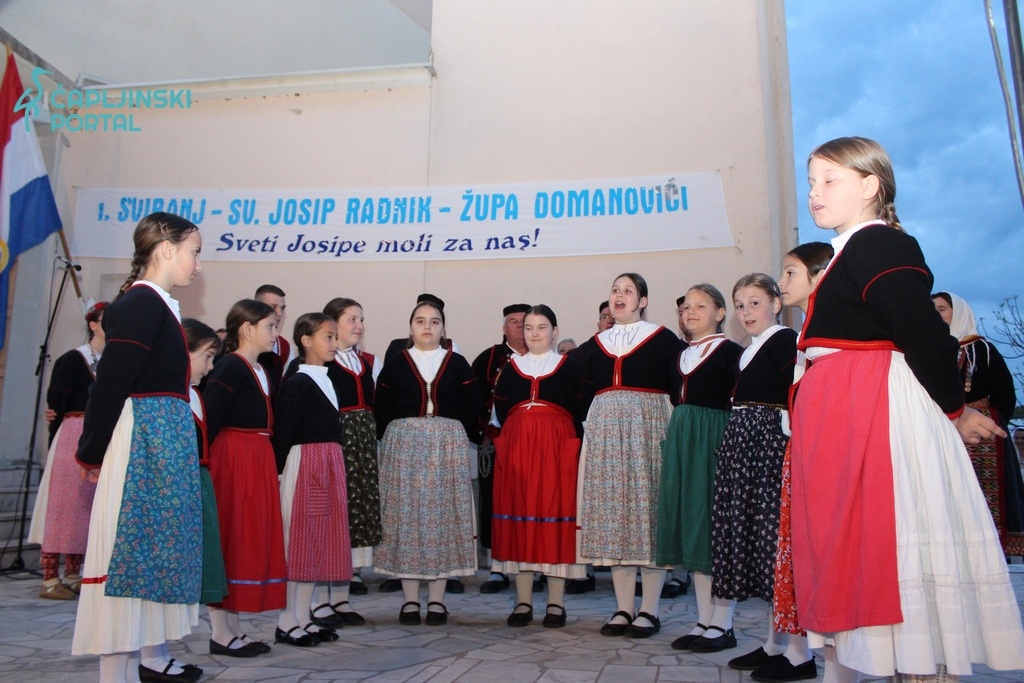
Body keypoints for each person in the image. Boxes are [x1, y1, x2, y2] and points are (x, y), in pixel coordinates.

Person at [791, 136, 1024, 682]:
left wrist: (954, 410)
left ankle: (922, 666)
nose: (815, 193)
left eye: (830, 180)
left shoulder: (879, 243)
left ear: (870, 185)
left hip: (879, 411)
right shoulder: (850, 250)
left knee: (896, 536)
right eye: (811, 182)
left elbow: (923, 332)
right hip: (852, 407)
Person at [71, 212, 203, 683]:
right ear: (166, 249)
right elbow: (111, 384)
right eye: (194, 252)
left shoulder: (158, 305)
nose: (198, 264)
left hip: (161, 439)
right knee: (128, 553)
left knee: (149, 554)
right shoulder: (138, 305)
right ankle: (115, 673)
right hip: (143, 441)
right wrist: (91, 452)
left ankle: (144, 660)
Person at [689, 274, 812, 682]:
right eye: (740, 305)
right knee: (756, 544)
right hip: (743, 447)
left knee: (775, 544)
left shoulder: (786, 341)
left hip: (767, 448)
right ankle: (776, 643)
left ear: (776, 304)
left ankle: (800, 653)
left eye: (755, 303)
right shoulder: (748, 350)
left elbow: (798, 393)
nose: (746, 312)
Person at [577, 272, 680, 638]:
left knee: (647, 516)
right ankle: (623, 608)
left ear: (643, 301)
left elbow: (679, 388)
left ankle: (649, 609)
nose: (619, 295)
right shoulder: (594, 345)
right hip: (606, 436)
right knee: (614, 518)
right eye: (615, 290)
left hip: (648, 432)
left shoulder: (664, 339)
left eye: (628, 290)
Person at [753, 244, 834, 683]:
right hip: (802, 447)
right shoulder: (806, 332)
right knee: (794, 550)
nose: (781, 282)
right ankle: (796, 651)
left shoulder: (831, 331)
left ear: (819, 277)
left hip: (824, 448)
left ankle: (815, 658)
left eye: (790, 273)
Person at [374, 299, 482, 626]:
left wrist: (451, 432)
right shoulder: (396, 364)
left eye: (434, 321)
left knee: (443, 518)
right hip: (403, 447)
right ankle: (410, 600)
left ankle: (437, 600)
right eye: (420, 321)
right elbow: (382, 407)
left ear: (443, 328)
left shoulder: (458, 364)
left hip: (447, 449)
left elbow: (473, 405)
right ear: (410, 327)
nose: (427, 327)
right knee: (406, 519)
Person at [491, 305, 586, 628]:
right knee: (521, 520)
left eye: (541, 327)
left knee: (554, 521)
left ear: (554, 331)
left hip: (556, 452)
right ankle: (523, 602)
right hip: (519, 451)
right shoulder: (510, 369)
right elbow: (501, 411)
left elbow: (580, 409)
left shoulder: (569, 368)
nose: (534, 333)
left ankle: (556, 603)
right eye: (528, 327)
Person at [658, 284, 742, 650]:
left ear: (720, 313)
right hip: (683, 440)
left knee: (713, 529)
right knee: (693, 527)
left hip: (713, 440)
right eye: (686, 307)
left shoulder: (732, 353)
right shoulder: (680, 355)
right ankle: (704, 619)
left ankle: (723, 623)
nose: (689, 312)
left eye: (700, 306)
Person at [204, 299, 287, 657]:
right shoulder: (229, 367)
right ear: (247, 329)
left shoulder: (260, 369)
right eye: (270, 326)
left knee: (247, 537)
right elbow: (211, 416)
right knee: (232, 536)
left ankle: (233, 629)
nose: (275, 333)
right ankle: (220, 632)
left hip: (256, 456)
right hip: (234, 457)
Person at [272, 312, 353, 647]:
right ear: (306, 340)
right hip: (305, 464)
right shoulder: (297, 383)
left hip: (327, 464)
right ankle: (286, 620)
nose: (334, 343)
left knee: (317, 543)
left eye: (335, 337)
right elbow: (284, 431)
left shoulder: (327, 380)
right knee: (298, 542)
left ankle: (303, 616)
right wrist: (278, 473)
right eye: (327, 337)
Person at [931, 291, 1024, 555]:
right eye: (932, 310)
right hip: (941, 430)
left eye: (942, 309)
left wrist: (989, 421)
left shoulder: (981, 349)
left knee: (984, 494)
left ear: (958, 312)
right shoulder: (929, 351)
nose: (936, 315)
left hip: (983, 439)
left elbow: (1005, 394)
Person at [30, 301, 107, 601]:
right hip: (72, 434)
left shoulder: (113, 362)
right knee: (62, 506)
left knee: (85, 506)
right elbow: (57, 404)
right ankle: (50, 578)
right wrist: (54, 439)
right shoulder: (73, 359)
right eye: (106, 320)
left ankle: (73, 574)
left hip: (97, 436)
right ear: (93, 325)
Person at [309, 297, 381, 616]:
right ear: (332, 323)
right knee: (332, 517)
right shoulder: (323, 362)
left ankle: (341, 597)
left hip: (361, 448)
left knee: (353, 518)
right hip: (337, 444)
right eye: (352, 319)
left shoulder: (362, 362)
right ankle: (319, 600)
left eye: (361, 319)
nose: (359, 325)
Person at [471, 303, 530, 594]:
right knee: (493, 502)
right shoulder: (488, 358)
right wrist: (480, 432)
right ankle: (497, 568)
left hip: (532, 443)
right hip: (494, 442)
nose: (519, 326)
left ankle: (533, 565)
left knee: (531, 501)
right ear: (504, 328)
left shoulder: (544, 357)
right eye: (513, 322)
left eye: (523, 321)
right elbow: (471, 398)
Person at [183, 317, 226, 681]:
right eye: (207, 357)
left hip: (199, 480)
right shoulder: (173, 396)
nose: (211, 367)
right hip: (181, 484)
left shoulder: (195, 394)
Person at [254, 284, 294, 397]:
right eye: (273, 307)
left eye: (282, 308)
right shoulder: (241, 341)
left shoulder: (284, 346)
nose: (279, 313)